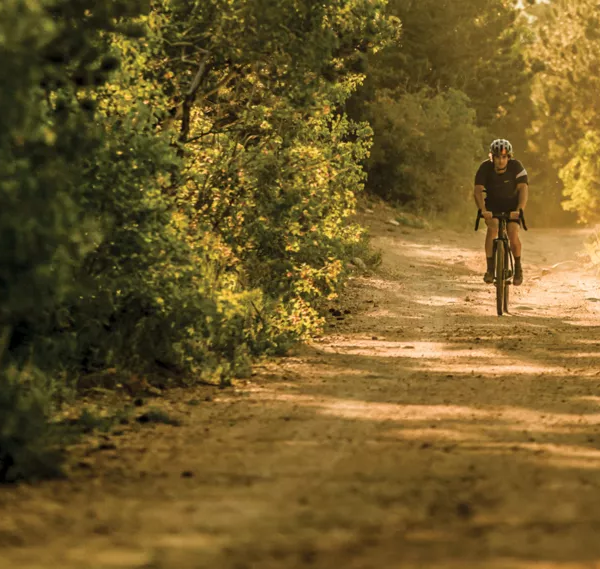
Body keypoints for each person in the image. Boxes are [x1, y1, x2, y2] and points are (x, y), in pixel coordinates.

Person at [473, 138, 529, 286]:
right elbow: (478, 190)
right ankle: (490, 269)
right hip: (492, 206)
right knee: (492, 228)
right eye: (497, 157)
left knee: (512, 231)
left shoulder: (516, 166)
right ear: (492, 157)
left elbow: (523, 188)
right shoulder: (485, 167)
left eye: (504, 157)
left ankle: (517, 268)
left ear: (509, 157)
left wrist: (519, 209)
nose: (500, 161)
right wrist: (483, 210)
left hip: (512, 206)